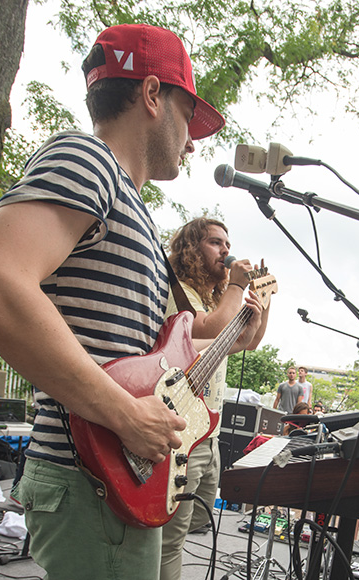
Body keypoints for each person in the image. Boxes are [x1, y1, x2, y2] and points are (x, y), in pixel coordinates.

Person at [0, 24, 263, 580]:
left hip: (118, 482)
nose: (193, 140)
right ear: (150, 95)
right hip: (88, 475)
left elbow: (163, 355)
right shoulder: (87, 159)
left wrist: (242, 320)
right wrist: (125, 413)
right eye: (188, 115)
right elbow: (0, 279)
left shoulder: (131, 208)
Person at [160, 218, 270, 580]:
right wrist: (236, 286)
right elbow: (208, 331)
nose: (225, 250)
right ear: (191, 249)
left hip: (209, 431)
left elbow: (246, 341)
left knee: (192, 525)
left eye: (228, 242)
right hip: (183, 429)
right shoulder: (179, 292)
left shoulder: (213, 299)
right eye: (214, 243)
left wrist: (263, 302)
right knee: (169, 538)